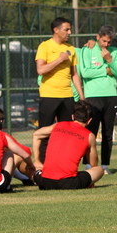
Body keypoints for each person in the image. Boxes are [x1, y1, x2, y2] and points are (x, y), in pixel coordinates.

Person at [77, 25, 117, 174]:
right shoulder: (87, 50)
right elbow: (85, 72)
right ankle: (89, 164)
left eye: (109, 42)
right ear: (97, 37)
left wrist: (109, 60)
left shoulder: (115, 52)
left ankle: (104, 165)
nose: (106, 45)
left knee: (108, 132)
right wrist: (105, 70)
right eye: (103, 41)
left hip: (111, 96)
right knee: (90, 132)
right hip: (93, 96)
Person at [31, 100, 105, 190]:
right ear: (89, 121)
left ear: (73, 116)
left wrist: (37, 160)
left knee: (36, 171)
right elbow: (93, 164)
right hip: (68, 183)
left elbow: (36, 134)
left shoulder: (58, 125)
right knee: (99, 170)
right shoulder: (89, 136)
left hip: (44, 180)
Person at [36, 17, 85, 154]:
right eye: (66, 29)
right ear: (55, 30)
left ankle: (64, 163)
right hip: (49, 95)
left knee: (67, 132)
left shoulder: (70, 49)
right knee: (45, 132)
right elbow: (41, 70)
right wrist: (59, 59)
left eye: (70, 29)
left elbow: (74, 74)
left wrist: (81, 97)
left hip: (67, 96)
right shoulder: (45, 46)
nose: (69, 32)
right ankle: (43, 165)